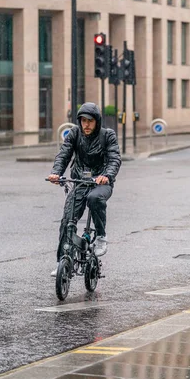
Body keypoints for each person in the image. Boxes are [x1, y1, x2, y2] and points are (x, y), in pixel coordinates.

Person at [47, 102, 122, 277]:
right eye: (83, 121)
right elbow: (64, 154)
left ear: (97, 121)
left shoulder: (107, 135)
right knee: (68, 220)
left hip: (101, 183)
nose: (86, 125)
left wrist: (107, 176)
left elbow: (114, 159)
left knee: (94, 199)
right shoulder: (74, 133)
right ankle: (62, 262)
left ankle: (101, 237)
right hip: (80, 182)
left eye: (90, 121)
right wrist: (56, 172)